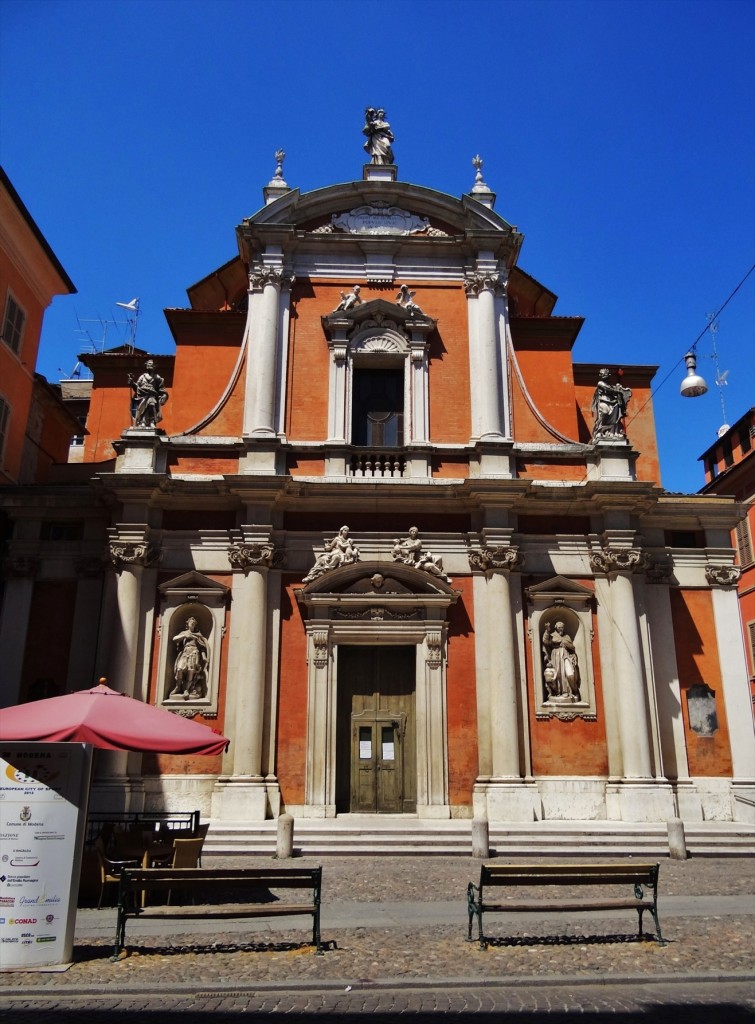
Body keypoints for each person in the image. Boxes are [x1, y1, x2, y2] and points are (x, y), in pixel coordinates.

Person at [170, 616, 209, 699]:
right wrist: (185, 636)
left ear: (195, 624)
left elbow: (202, 646)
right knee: (179, 669)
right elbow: (174, 639)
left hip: (194, 653)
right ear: (187, 623)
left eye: (194, 622)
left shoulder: (198, 635)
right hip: (185, 653)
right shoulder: (184, 633)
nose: (192, 623)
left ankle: (186, 690)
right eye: (191, 622)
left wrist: (204, 656)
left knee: (191, 672)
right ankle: (178, 687)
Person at [542, 621, 581, 701]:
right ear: (556, 628)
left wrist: (564, 643)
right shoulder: (552, 635)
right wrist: (547, 631)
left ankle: (571, 690)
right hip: (555, 656)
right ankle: (559, 692)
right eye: (559, 627)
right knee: (558, 673)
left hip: (565, 655)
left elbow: (572, 647)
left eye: (562, 627)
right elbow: (545, 641)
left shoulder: (566, 636)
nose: (561, 629)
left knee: (568, 673)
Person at [590, 368, 631, 439]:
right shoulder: (600, 383)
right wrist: (617, 390)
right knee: (604, 412)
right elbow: (607, 389)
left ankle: (612, 432)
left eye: (605, 374)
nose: (604, 375)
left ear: (608, 375)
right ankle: (600, 431)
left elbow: (613, 390)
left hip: (613, 403)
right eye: (602, 374)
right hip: (603, 401)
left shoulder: (611, 386)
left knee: (615, 417)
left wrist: (619, 389)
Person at [128, 360, 168, 428]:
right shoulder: (142, 377)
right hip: (143, 395)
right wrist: (132, 383)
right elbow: (137, 387)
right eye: (148, 364)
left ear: (154, 367)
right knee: (143, 407)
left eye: (151, 364)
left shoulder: (157, 377)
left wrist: (164, 395)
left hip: (152, 395)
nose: (149, 365)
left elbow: (161, 388)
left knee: (151, 404)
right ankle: (143, 421)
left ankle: (152, 421)